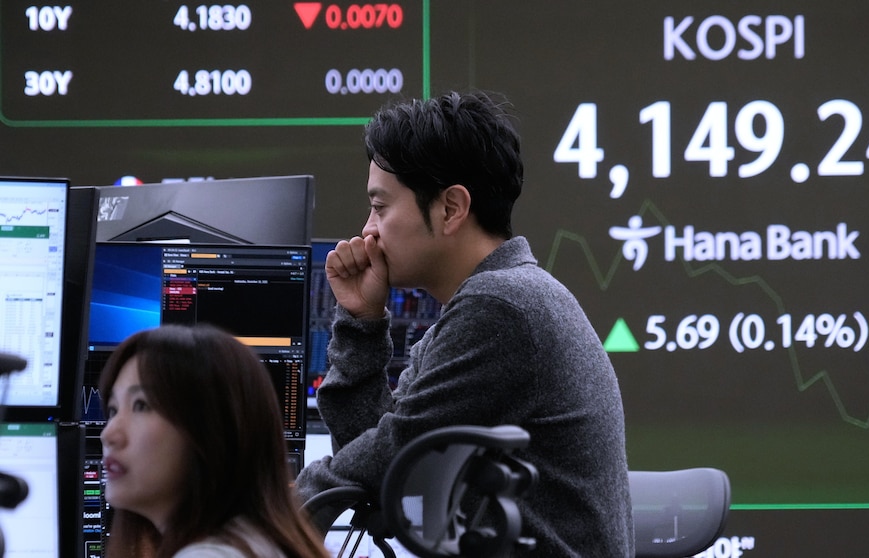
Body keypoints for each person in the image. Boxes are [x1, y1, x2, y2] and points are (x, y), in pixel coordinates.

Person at [296, 91, 635, 556]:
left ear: (451, 208)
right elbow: (380, 465)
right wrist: (361, 321)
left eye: (380, 207)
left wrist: (276, 511)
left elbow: (392, 452)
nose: (368, 229)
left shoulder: (502, 307)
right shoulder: (489, 303)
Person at [99, 324, 328, 558]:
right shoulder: (252, 542)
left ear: (212, 428)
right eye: (113, 410)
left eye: (141, 405)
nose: (108, 435)